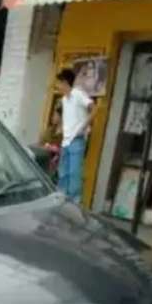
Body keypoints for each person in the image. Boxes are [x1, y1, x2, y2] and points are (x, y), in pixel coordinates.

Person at [55, 67, 95, 205]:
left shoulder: (78, 94)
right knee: (63, 172)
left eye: (59, 83)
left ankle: (74, 202)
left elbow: (93, 108)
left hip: (76, 139)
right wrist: (61, 128)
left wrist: (84, 126)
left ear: (65, 82)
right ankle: (61, 200)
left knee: (74, 172)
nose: (58, 86)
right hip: (66, 140)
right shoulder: (64, 100)